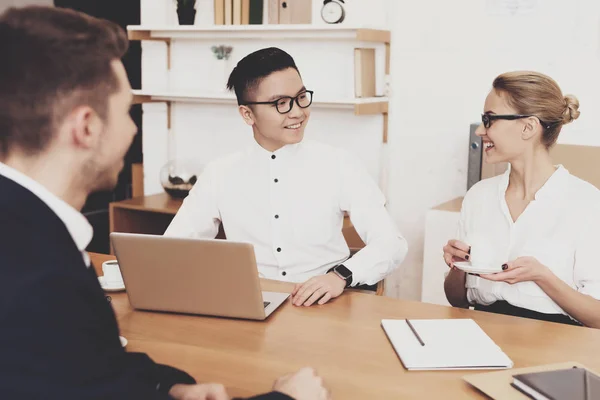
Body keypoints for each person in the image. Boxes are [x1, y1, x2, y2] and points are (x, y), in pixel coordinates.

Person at [0, 6, 329, 399]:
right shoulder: (38, 279)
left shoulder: (31, 235)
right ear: (86, 127)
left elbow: (89, 370)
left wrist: (166, 386)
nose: (133, 128)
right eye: (127, 111)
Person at [165, 47, 407, 307]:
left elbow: (392, 243)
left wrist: (340, 276)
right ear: (248, 114)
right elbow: (173, 248)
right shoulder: (220, 173)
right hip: (251, 303)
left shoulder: (338, 164)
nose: (298, 112)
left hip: (326, 305)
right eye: (281, 103)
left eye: (302, 97)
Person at [443, 71, 600, 328]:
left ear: (528, 127)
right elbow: (457, 300)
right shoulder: (479, 196)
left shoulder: (588, 204)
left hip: (556, 345)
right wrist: (457, 266)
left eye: (489, 120)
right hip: (479, 334)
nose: (481, 130)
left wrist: (543, 277)